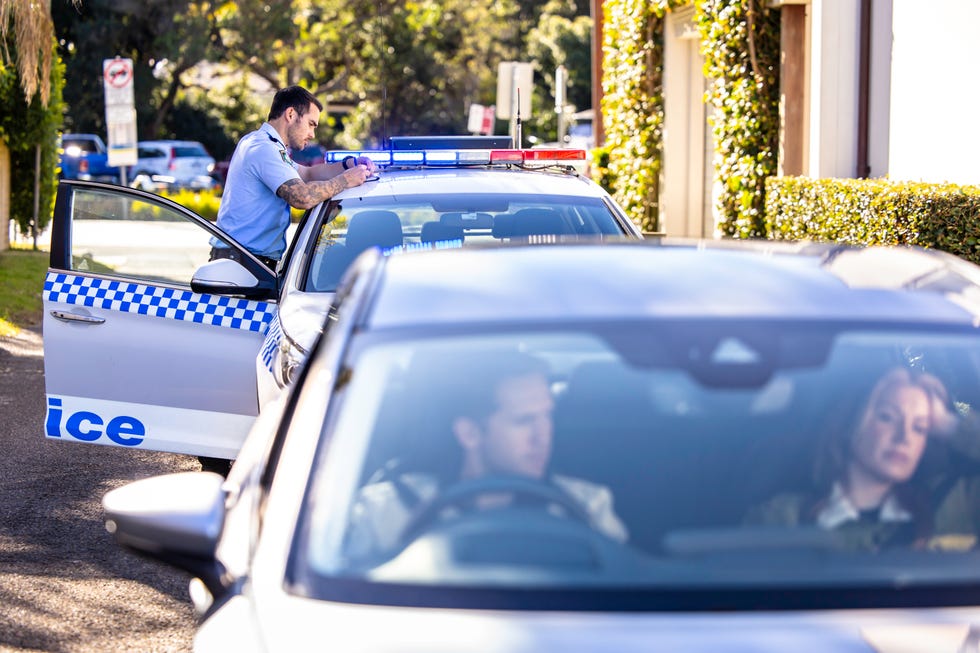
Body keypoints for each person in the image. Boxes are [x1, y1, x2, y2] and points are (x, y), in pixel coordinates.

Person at [344, 351, 628, 560]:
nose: (544, 436)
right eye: (524, 421)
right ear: (469, 434)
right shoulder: (382, 514)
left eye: (547, 416)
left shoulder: (587, 509)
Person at [747, 365, 980, 551]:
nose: (904, 437)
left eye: (919, 428)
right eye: (888, 417)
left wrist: (952, 426)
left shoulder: (952, 504)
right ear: (852, 423)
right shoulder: (782, 518)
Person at [210, 85, 376, 270]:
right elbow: (302, 197)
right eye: (311, 124)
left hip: (245, 262)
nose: (312, 134)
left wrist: (349, 164)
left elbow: (307, 174)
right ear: (290, 114)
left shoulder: (264, 144)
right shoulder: (263, 148)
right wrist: (345, 180)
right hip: (239, 267)